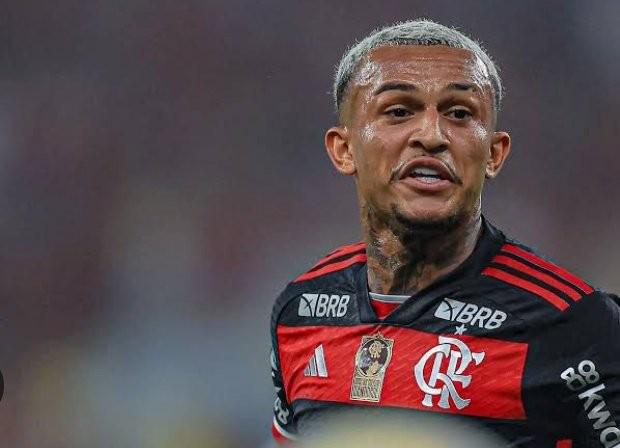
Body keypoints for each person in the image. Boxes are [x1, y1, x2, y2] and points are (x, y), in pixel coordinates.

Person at [269, 19, 620, 447]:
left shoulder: (574, 323)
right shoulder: (300, 312)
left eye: (459, 114)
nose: (432, 136)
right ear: (344, 150)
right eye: (399, 111)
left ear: (494, 154)